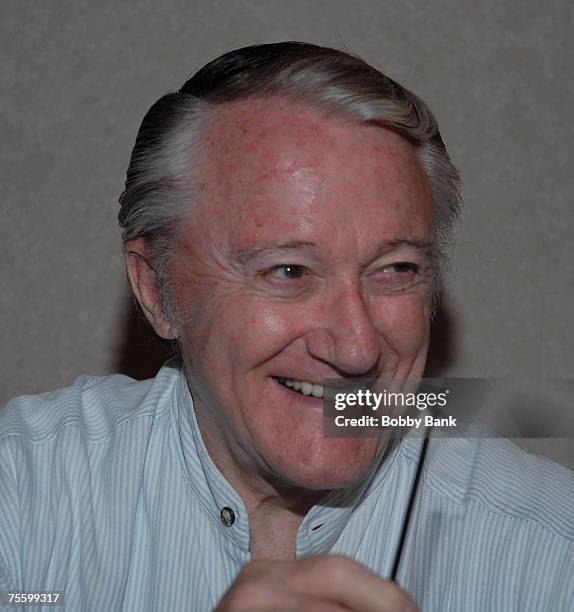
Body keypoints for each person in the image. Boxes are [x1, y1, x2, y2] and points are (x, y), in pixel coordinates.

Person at [0, 42, 572, 612]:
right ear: (156, 288)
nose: (357, 346)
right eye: (289, 270)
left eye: (396, 269)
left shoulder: (550, 550)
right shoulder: (24, 495)